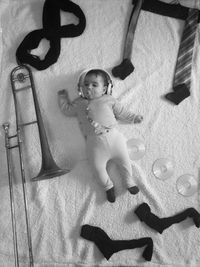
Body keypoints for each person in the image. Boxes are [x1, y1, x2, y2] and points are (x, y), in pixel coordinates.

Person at [57, 69, 143, 203]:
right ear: (80, 88)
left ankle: (129, 181)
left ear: (104, 89)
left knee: (125, 161)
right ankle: (108, 186)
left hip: (114, 138)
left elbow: (122, 112)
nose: (88, 88)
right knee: (96, 168)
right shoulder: (79, 103)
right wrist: (62, 98)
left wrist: (134, 118)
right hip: (94, 143)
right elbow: (67, 110)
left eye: (94, 85)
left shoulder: (108, 100)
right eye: (85, 85)